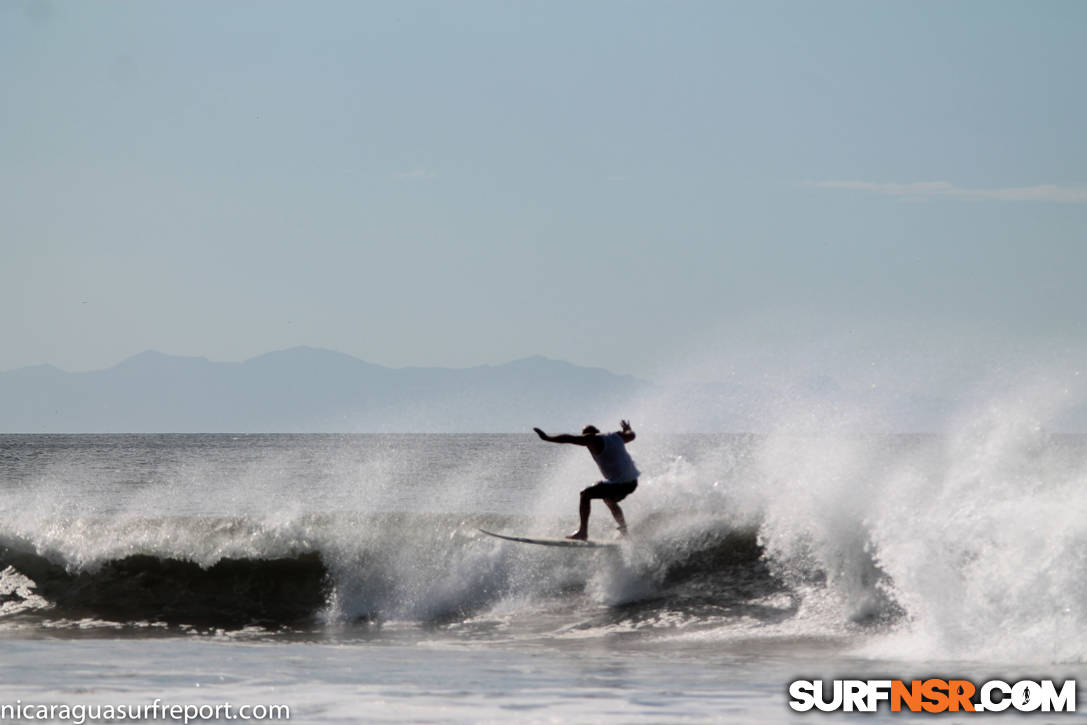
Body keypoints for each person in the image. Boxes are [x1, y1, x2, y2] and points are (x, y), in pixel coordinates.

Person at [533, 420, 640, 540]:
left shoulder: (592, 439)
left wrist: (548, 438)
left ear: (589, 435)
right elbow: (631, 435)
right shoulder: (616, 436)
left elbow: (569, 438)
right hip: (632, 482)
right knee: (608, 498)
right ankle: (625, 532)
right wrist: (627, 429)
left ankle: (582, 532)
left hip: (620, 483)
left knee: (585, 494)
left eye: (584, 436)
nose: (583, 440)